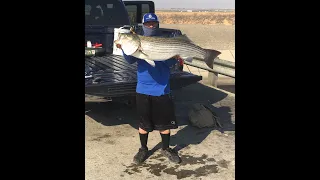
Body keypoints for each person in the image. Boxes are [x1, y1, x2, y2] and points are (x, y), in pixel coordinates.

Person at [115, 13, 181, 164]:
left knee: (164, 125)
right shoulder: (137, 41)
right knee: (143, 124)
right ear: (143, 25)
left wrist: (173, 57)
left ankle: (166, 148)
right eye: (148, 24)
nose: (151, 26)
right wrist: (125, 47)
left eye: (153, 23)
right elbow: (130, 59)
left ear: (157, 24)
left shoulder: (165, 41)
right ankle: (143, 149)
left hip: (162, 89)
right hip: (143, 89)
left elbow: (171, 64)